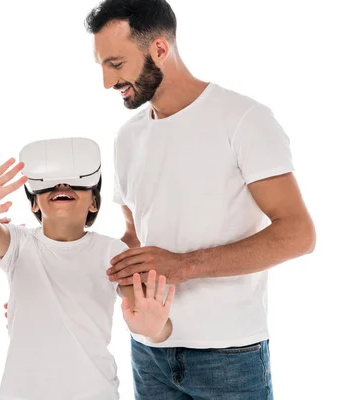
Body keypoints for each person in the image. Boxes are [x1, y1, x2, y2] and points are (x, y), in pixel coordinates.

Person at [84, 1, 316, 399]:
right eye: (102, 65)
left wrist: (182, 265)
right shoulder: (127, 138)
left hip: (228, 356)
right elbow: (134, 236)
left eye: (116, 64)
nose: (107, 82)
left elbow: (298, 235)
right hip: (149, 352)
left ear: (159, 49)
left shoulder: (243, 120)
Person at [0, 137, 175, 400]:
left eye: (75, 182)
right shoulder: (17, 244)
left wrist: (154, 327)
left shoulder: (112, 251)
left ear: (93, 203)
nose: (62, 185)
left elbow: (148, 316)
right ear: (34, 204)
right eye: (48, 184)